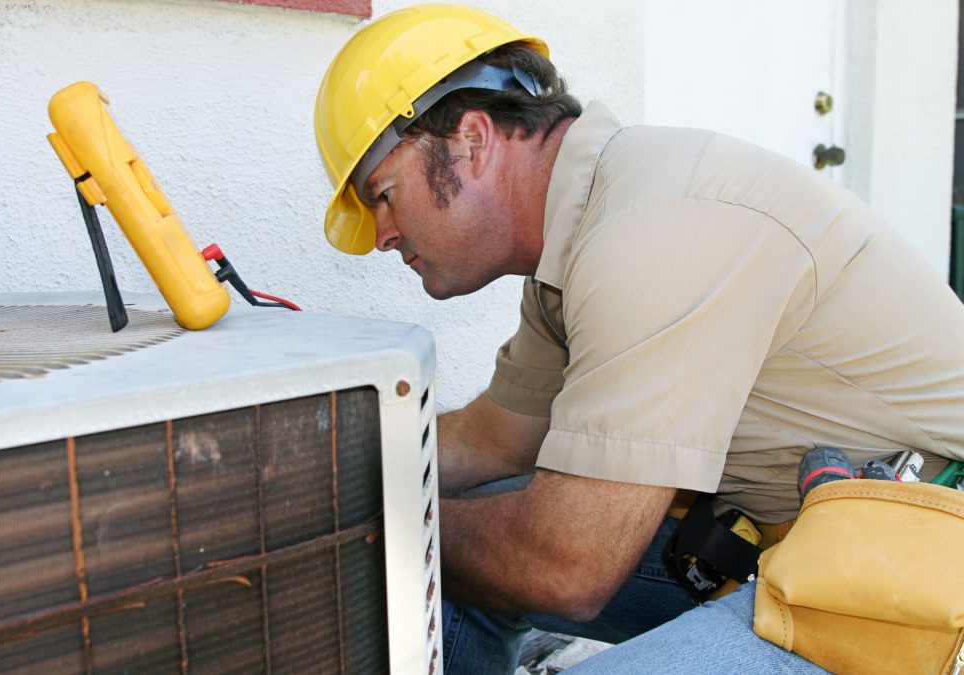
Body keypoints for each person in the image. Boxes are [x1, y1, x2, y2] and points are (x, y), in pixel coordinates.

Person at [313, 4, 964, 673]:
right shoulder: (567, 259)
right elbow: (493, 440)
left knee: (472, 546)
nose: (382, 235)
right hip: (805, 548)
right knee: (464, 553)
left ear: (472, 141)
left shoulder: (654, 227)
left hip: (924, 563)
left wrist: (370, 519)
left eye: (384, 195)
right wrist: (333, 472)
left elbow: (566, 565)